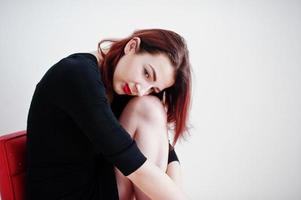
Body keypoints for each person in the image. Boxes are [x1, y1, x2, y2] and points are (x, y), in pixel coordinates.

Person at [25, 28, 192, 200]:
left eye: (153, 88)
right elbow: (134, 165)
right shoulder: (77, 75)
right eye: (146, 73)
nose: (141, 89)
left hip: (96, 186)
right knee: (148, 109)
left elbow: (168, 152)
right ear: (132, 46)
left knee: (152, 106)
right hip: (64, 194)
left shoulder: (125, 86)